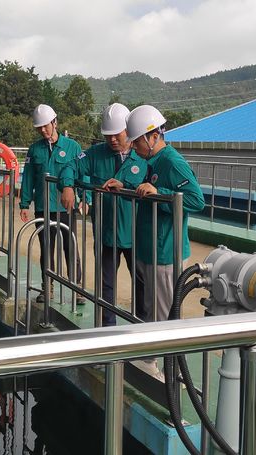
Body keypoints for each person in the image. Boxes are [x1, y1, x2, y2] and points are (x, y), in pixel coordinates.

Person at [60, 103, 147, 326]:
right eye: (108, 136)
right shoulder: (96, 154)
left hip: (137, 233)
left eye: (116, 135)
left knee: (141, 284)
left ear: (128, 130)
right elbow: (70, 166)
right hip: (106, 233)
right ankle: (107, 330)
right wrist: (68, 186)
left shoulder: (144, 155)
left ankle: (141, 330)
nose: (112, 140)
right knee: (106, 285)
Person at [126, 105, 205, 323]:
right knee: (151, 308)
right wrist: (125, 187)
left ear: (153, 136)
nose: (133, 147)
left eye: (137, 141)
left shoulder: (172, 162)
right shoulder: (152, 162)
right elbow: (147, 191)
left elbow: (196, 200)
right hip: (150, 249)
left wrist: (161, 192)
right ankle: (152, 356)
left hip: (165, 252)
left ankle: (156, 358)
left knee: (161, 316)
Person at [19, 104, 84, 304]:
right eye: (39, 127)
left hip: (66, 207)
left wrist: (84, 198)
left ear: (55, 122)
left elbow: (82, 174)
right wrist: (24, 202)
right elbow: (28, 177)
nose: (43, 130)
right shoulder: (35, 149)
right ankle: (48, 287)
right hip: (43, 206)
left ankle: (77, 289)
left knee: (70, 247)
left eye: (46, 126)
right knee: (46, 248)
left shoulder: (72, 147)